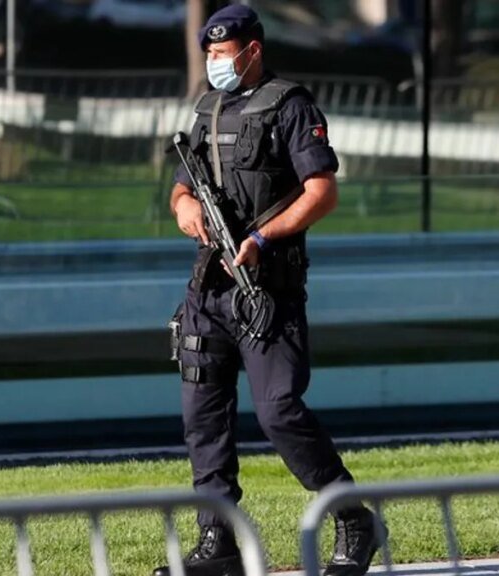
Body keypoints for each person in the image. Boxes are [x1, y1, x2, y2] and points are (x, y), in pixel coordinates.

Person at [153, 5, 383, 576]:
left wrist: (261, 236)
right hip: (208, 287)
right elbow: (181, 191)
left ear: (252, 51)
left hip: (267, 289)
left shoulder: (290, 105)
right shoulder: (206, 109)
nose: (214, 64)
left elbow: (321, 191)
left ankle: (354, 518)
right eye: (208, 54)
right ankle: (219, 541)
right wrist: (185, 211)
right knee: (202, 416)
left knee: (279, 411)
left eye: (223, 54)